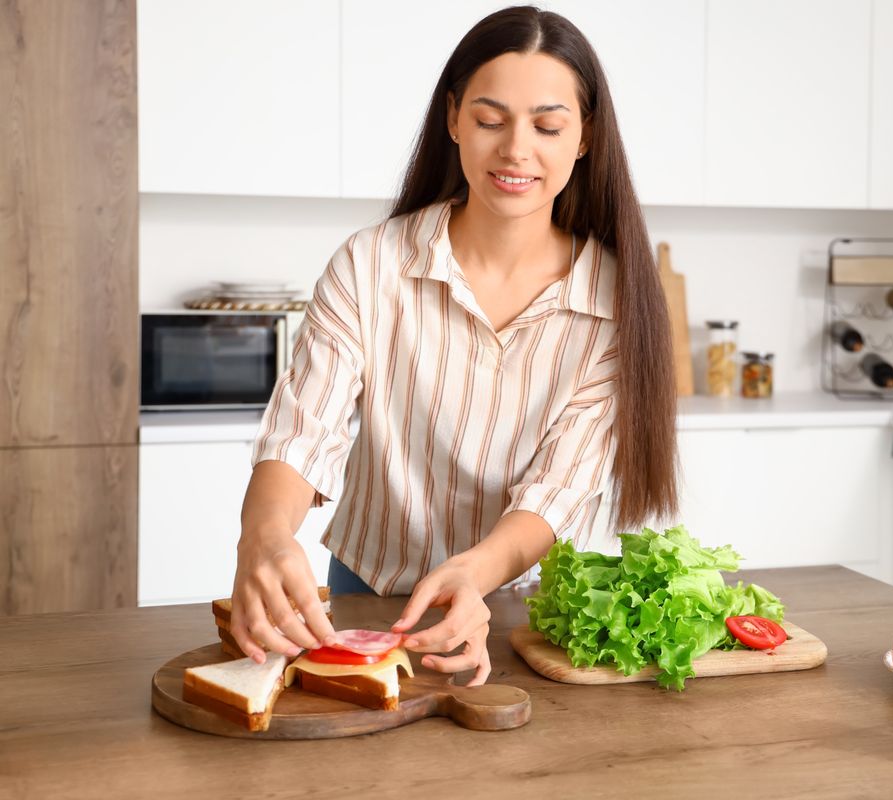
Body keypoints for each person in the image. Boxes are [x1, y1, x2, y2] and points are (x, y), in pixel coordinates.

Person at [230, 6, 678, 687]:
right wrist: (263, 536)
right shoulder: (370, 264)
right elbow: (301, 433)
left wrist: (476, 573)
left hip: (519, 613)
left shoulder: (616, 305)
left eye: (548, 125)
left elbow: (558, 489)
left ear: (584, 138)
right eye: (490, 119)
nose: (516, 149)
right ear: (454, 119)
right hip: (367, 588)